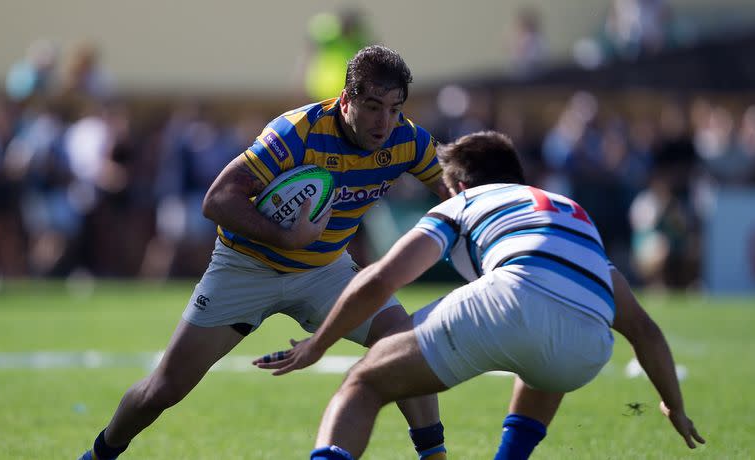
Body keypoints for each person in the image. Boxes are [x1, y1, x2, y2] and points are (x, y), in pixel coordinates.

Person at [78, 45, 449, 460]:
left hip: (326, 272)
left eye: (395, 108)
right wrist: (286, 237)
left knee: (405, 340)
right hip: (245, 268)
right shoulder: (297, 131)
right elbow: (217, 199)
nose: (384, 122)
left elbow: (458, 189)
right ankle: (99, 454)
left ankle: (435, 457)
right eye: (372, 106)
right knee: (163, 389)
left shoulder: (408, 140)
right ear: (346, 99)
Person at [256, 131, 705, 459]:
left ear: (457, 185)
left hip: (512, 299)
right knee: (544, 352)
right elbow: (644, 331)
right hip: (587, 346)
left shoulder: (464, 201)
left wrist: (320, 343)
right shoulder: (569, 211)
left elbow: (381, 279)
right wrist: (675, 406)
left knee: (364, 382)